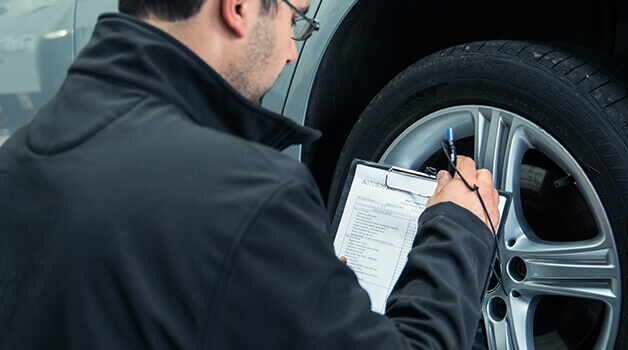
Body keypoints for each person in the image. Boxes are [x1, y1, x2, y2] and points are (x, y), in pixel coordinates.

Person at [0, 0, 500, 348]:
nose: (291, 50)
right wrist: (459, 229)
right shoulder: (248, 196)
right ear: (238, 8)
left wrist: (295, 288)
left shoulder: (19, 157)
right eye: (296, 21)